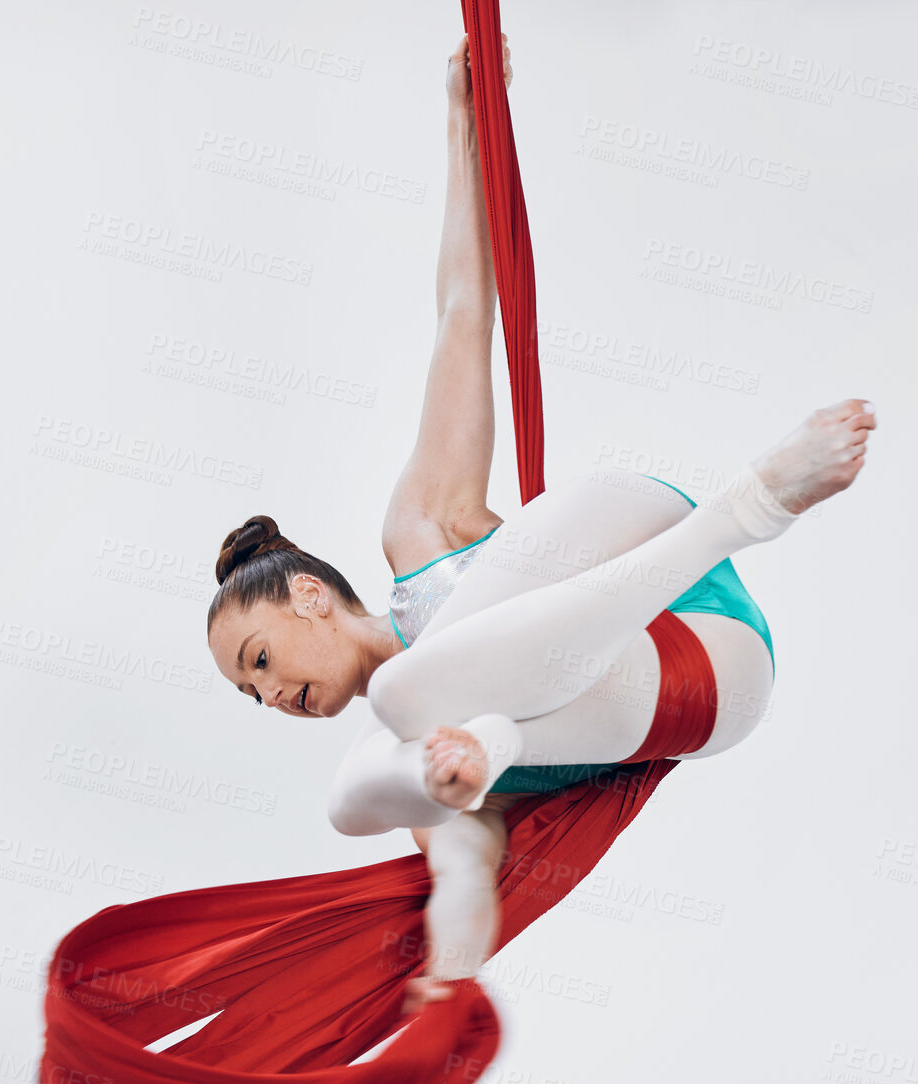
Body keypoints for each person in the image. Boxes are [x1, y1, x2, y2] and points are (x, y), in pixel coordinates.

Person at [206, 32, 874, 1013]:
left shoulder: (420, 528)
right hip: (702, 683)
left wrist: (463, 125)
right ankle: (510, 733)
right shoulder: (412, 761)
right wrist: (447, 981)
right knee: (362, 782)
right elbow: (468, 874)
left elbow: (462, 315)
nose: (270, 697)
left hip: (657, 555)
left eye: (259, 660)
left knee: (407, 693)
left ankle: (755, 502)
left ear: (308, 593)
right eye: (250, 696)